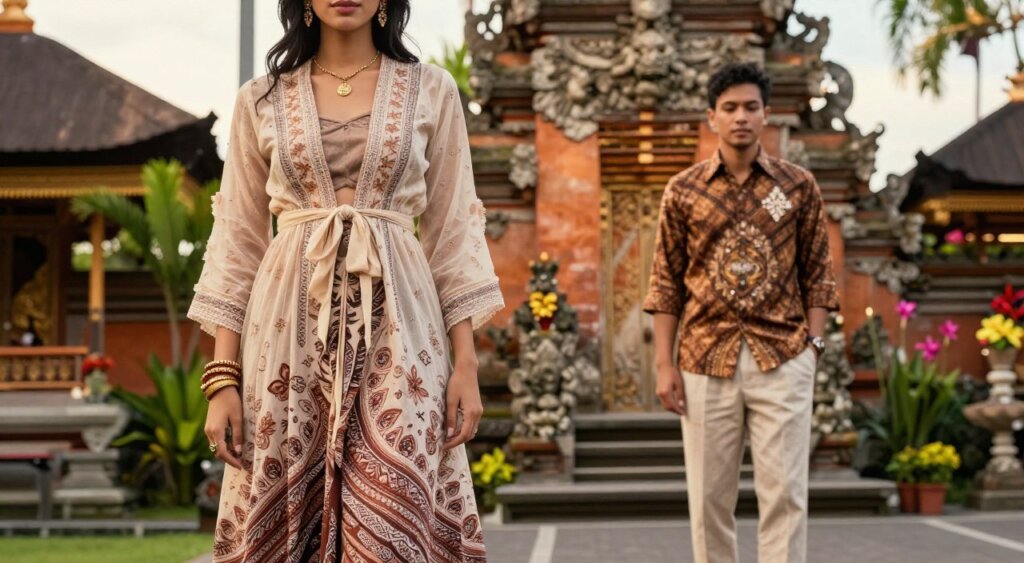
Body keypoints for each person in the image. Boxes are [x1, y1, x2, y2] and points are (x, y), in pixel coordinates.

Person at [188, 1, 504, 561]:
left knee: (394, 512)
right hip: (286, 329)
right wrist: (222, 379)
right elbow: (237, 241)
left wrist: (467, 364)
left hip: (403, 328)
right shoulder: (259, 98)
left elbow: (452, 230)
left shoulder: (432, 89)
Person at [642, 62, 839, 563]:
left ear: (766, 114)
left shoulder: (798, 188)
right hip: (705, 358)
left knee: (785, 498)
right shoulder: (683, 191)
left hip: (784, 355)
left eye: (751, 107)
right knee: (709, 502)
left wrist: (812, 348)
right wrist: (664, 364)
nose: (741, 117)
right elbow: (666, 283)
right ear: (712, 117)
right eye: (729, 108)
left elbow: (819, 274)